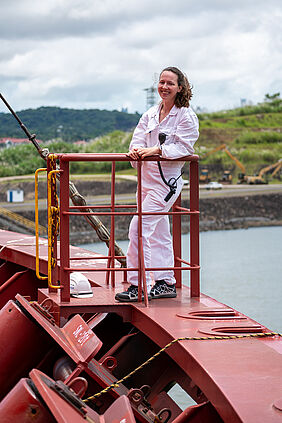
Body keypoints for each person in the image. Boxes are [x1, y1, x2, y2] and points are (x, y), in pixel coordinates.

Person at [115, 66, 199, 302]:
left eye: (170, 83)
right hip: (145, 180)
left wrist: (156, 150)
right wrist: (135, 152)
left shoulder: (185, 116)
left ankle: (138, 285)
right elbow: (137, 140)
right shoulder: (151, 114)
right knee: (159, 232)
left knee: (138, 229)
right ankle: (165, 282)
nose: (164, 87)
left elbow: (184, 147)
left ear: (180, 88)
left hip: (166, 184)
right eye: (161, 82)